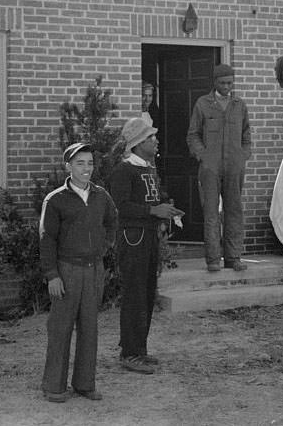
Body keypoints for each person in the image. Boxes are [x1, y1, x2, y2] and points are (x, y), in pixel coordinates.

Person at [39, 142, 118, 403]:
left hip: (93, 269)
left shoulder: (101, 196)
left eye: (90, 163)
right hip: (66, 269)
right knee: (60, 328)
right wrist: (52, 275)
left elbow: (112, 222)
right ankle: (54, 386)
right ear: (68, 167)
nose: (86, 169)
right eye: (80, 163)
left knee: (89, 327)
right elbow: (47, 239)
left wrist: (103, 248)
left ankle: (85, 384)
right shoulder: (56, 199)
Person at [109, 117, 184, 374]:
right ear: (138, 143)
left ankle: (139, 349)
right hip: (133, 239)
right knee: (134, 294)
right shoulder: (123, 171)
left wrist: (168, 209)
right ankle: (129, 352)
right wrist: (154, 210)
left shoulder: (149, 169)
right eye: (151, 138)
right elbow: (122, 206)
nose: (156, 141)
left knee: (147, 292)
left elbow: (155, 198)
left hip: (149, 237)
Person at [186, 63, 252, 272]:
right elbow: (193, 134)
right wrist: (203, 155)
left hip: (234, 165)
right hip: (210, 166)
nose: (226, 86)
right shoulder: (203, 104)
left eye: (230, 83)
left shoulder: (239, 105)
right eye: (223, 83)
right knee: (211, 212)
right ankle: (213, 259)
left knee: (234, 210)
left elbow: (246, 134)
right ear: (215, 82)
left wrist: (243, 155)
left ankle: (233, 257)